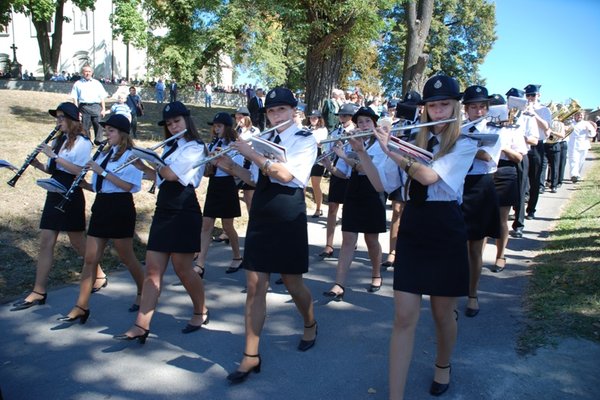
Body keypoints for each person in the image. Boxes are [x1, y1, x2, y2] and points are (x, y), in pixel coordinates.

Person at [356, 75, 478, 399]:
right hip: (414, 225)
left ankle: (443, 363)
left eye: (444, 105)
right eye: (432, 105)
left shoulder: (465, 143)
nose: (438, 112)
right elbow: (382, 185)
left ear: (455, 107)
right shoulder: (412, 139)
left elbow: (427, 175)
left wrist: (391, 148)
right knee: (404, 315)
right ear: (424, 109)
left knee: (441, 314)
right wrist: (363, 152)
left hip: (445, 227)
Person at [212, 87, 318, 384]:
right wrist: (232, 166)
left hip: (287, 213)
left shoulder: (304, 139)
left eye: (281, 110)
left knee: (294, 283)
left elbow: (287, 176)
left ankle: (310, 321)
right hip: (262, 211)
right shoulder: (265, 140)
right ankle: (250, 355)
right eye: (271, 111)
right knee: (255, 284)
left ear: (293, 111)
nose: (276, 116)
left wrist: (250, 154)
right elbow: (255, 179)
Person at [114, 101, 208, 343]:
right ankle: (141, 325)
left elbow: (171, 175)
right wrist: (140, 165)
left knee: (183, 270)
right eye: (169, 123)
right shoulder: (170, 148)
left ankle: (201, 310)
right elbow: (158, 176)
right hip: (164, 208)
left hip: (184, 209)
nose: (173, 126)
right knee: (153, 271)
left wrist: (154, 160)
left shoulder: (195, 147)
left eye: (177, 121)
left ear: (187, 120)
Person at [12, 102, 103, 310]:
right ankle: (38, 290)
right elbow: (53, 168)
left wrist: (53, 156)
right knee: (46, 241)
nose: (58, 121)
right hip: (54, 192)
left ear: (72, 120)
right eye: (57, 117)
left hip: (71, 193)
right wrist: (38, 165)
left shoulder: (83, 142)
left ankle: (99, 273)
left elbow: (77, 170)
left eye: (62, 117)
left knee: (78, 242)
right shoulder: (59, 140)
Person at [57, 114, 145, 323]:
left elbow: (128, 186)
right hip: (102, 206)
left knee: (126, 256)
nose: (106, 133)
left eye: (111, 130)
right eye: (106, 130)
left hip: (121, 207)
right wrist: (83, 184)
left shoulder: (132, 155)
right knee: (90, 258)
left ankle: (144, 292)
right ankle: (81, 306)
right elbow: (100, 186)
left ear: (123, 134)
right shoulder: (104, 153)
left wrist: (102, 172)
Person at [322, 106, 387, 300]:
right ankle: (339, 283)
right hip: (354, 189)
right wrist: (330, 166)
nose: (363, 125)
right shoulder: (351, 143)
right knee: (348, 238)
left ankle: (376, 274)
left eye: (367, 122)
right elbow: (343, 173)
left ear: (374, 124)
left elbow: (365, 168)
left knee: (371, 239)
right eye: (360, 122)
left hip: (372, 191)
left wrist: (344, 156)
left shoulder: (380, 145)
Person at [459, 85, 502, 317]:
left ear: (487, 108)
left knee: (475, 246)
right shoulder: (458, 128)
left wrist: (464, 144)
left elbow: (488, 157)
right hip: (458, 184)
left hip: (481, 187)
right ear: (466, 109)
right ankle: (450, 290)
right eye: (473, 107)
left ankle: (472, 295)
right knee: (455, 244)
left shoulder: (494, 130)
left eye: (481, 107)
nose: (477, 111)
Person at [196, 112, 243, 275]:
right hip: (214, 185)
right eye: (214, 126)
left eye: (219, 126)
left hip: (227, 186)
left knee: (227, 226)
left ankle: (237, 256)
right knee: (206, 224)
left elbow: (236, 171)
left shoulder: (234, 145)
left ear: (227, 127)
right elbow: (206, 169)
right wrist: (208, 162)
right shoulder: (212, 144)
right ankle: (200, 264)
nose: (216, 129)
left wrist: (219, 160)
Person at [488, 95, 527, 281]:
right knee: (482, 217)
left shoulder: (514, 129)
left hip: (505, 171)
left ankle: (500, 255)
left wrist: (502, 147)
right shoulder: (484, 126)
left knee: (502, 218)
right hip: (485, 170)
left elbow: (519, 157)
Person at [318, 103, 357, 258]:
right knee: (332, 207)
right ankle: (329, 244)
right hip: (336, 171)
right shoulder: (336, 132)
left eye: (345, 116)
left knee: (350, 209)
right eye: (340, 115)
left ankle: (350, 242)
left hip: (350, 172)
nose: (342, 118)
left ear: (352, 117)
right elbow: (327, 149)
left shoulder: (356, 133)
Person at [507, 88, 537, 239]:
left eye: (516, 100)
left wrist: (518, 135)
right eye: (510, 100)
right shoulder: (502, 113)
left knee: (520, 189)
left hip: (520, 154)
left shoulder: (527, 117)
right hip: (503, 156)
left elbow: (534, 139)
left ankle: (518, 225)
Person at [523, 84, 552, 220]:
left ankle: (531, 209)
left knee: (535, 179)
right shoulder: (522, 108)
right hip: (523, 143)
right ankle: (520, 208)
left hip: (537, 145)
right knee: (522, 178)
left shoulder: (544, 109)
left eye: (533, 95)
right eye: (528, 95)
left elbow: (546, 126)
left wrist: (534, 114)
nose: (530, 98)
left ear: (538, 96)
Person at [70, 65, 108, 144]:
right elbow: (74, 98)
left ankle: (98, 141)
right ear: (82, 73)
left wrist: (103, 109)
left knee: (98, 125)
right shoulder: (78, 84)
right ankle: (87, 141)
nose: (87, 73)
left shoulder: (97, 83)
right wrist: (76, 111)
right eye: (86, 71)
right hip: (84, 107)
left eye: (89, 71)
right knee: (85, 126)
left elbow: (102, 97)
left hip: (96, 106)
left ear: (92, 73)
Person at [307, 110, 328, 218]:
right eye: (311, 118)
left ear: (320, 119)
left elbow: (320, 143)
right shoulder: (308, 128)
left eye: (315, 118)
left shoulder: (323, 130)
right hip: (307, 156)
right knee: (302, 184)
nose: (313, 120)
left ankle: (318, 208)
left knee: (315, 184)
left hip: (318, 157)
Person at [568, 111, 596, 182]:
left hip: (583, 145)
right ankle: (573, 175)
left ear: (583, 116)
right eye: (578, 115)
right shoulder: (571, 123)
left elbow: (592, 134)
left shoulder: (586, 124)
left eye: (581, 115)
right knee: (574, 161)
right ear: (575, 116)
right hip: (573, 145)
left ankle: (577, 175)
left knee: (581, 161)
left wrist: (589, 130)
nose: (579, 116)